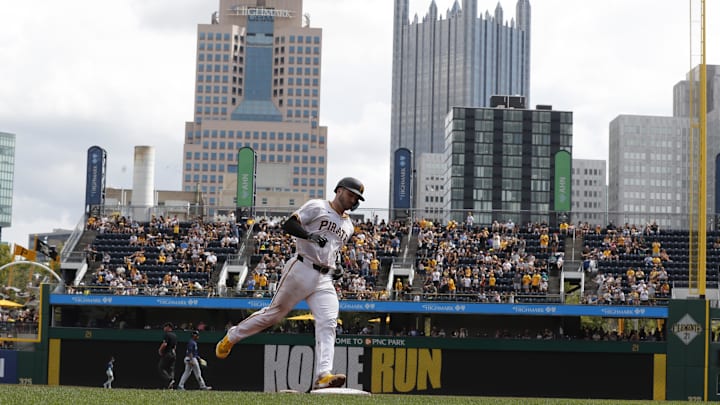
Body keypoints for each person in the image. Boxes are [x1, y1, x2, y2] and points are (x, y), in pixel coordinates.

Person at [215, 177, 365, 390]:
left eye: (357, 197)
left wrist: (337, 265)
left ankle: (323, 375)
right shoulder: (318, 206)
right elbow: (289, 224)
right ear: (339, 190)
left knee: (329, 322)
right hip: (301, 268)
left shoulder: (348, 225)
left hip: (324, 278)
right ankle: (232, 336)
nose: (353, 199)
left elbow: (333, 248)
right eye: (351, 194)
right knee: (274, 315)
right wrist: (310, 236)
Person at [157, 322, 177, 389]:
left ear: (168, 327)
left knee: (161, 368)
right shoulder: (174, 335)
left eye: (165, 327)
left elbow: (164, 344)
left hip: (167, 353)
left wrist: (160, 350)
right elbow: (175, 347)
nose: (164, 328)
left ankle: (169, 380)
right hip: (173, 353)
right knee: (171, 369)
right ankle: (171, 386)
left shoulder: (167, 335)